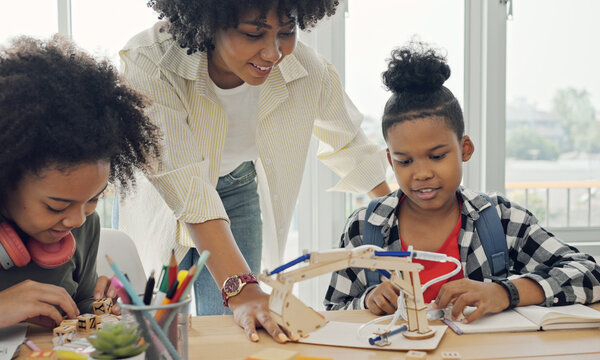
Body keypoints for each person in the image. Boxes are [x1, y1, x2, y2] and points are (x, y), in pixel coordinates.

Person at [117, 0, 390, 342]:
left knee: (237, 326)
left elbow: (351, 145)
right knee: (158, 324)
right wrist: (242, 289)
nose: (273, 53)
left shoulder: (305, 69)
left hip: (237, 187)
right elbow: (185, 186)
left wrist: (399, 220)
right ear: (208, 24)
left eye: (287, 32)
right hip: (164, 199)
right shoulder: (151, 61)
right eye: (253, 33)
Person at [324, 42, 600, 322]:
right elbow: (331, 313)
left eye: (436, 156)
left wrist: (503, 292)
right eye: (405, 161)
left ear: (465, 149)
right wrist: (367, 300)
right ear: (390, 160)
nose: (421, 174)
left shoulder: (504, 221)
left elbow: (590, 275)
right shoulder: (363, 228)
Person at [0, 36, 161, 329]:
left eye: (93, 199)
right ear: (6, 179)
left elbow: (78, 307)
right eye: (55, 206)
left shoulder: (85, 226)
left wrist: (103, 306)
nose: (77, 219)